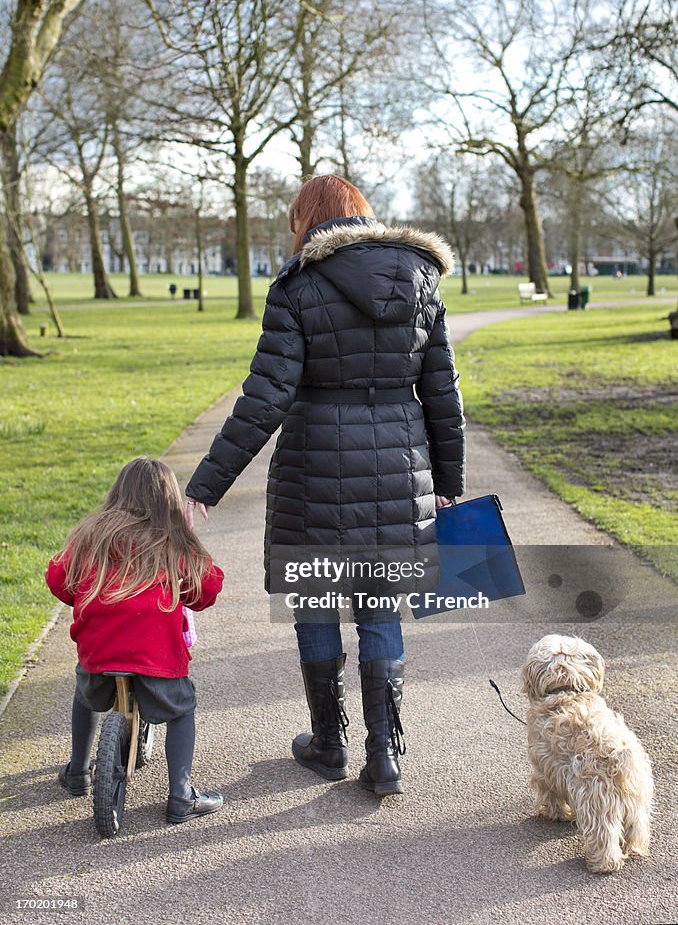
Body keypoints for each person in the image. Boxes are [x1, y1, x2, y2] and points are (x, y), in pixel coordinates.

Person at [184, 175, 465, 796]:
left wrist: (205, 487)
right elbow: (442, 390)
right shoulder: (421, 280)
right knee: (379, 607)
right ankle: (385, 755)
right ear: (362, 217)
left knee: (315, 602)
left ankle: (329, 743)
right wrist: (448, 479)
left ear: (304, 220)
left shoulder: (298, 285)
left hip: (313, 466)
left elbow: (265, 397)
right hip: (399, 464)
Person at [46, 457, 225, 824]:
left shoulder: (91, 534)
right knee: (181, 709)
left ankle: (79, 770)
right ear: (169, 500)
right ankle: (181, 795)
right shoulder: (172, 540)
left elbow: (58, 580)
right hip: (156, 657)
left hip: (99, 652)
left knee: (85, 694)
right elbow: (207, 589)